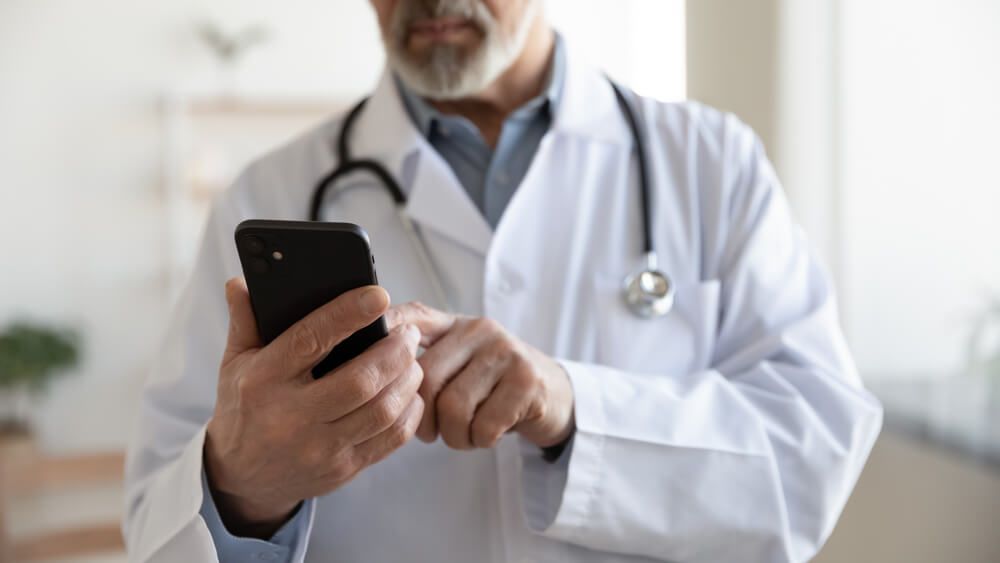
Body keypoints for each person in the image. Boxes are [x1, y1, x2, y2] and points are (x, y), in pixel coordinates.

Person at [123, 1, 883, 561]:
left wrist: (576, 407)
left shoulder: (711, 165)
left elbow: (811, 458)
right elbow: (154, 516)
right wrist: (243, 484)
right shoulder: (270, 195)